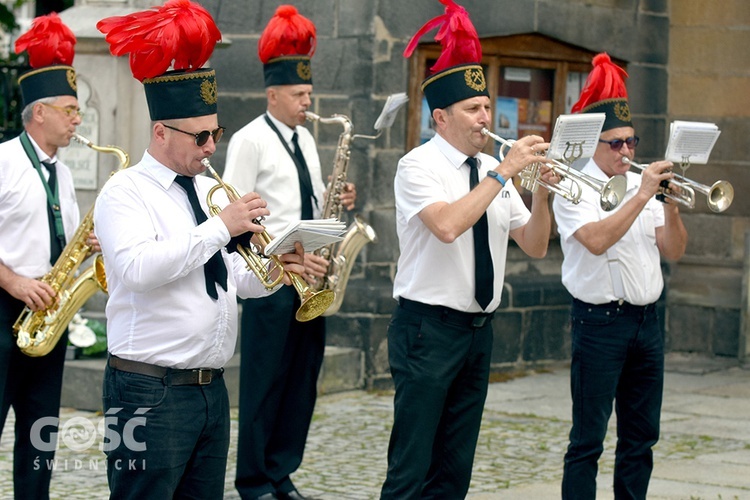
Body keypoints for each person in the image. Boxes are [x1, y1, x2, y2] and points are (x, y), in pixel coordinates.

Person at [94, 2, 307, 498]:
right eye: (202, 135)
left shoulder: (206, 191)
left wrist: (278, 266)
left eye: (217, 132)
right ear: (161, 132)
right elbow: (137, 270)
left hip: (210, 387)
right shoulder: (125, 191)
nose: (212, 146)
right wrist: (220, 227)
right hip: (149, 389)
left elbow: (230, 280)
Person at [380, 2, 556, 498]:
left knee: (455, 470)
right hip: (427, 329)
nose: (485, 118)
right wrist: (505, 172)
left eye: (486, 106)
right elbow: (448, 225)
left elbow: (537, 245)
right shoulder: (418, 167)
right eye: (474, 109)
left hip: (478, 331)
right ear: (441, 117)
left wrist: (541, 188)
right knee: (411, 467)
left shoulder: (491, 172)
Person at [223, 6, 355, 500]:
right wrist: (273, 260)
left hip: (310, 277)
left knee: (301, 384)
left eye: (309, 94)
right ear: (273, 93)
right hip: (270, 279)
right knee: (264, 385)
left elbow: (313, 196)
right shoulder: (249, 140)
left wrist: (341, 200)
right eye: (299, 95)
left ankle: (282, 472)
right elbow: (234, 211)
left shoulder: (306, 137)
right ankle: (253, 480)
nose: (307, 102)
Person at [553, 53, 688, 499]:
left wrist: (667, 203)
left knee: (641, 438)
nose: (627, 151)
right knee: (587, 441)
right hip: (599, 323)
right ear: (594, 143)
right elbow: (595, 239)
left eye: (631, 141)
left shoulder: (642, 184)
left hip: (647, 322)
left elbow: (674, 252)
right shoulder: (573, 185)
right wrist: (643, 193)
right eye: (615, 143)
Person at [0, 14, 91, 499]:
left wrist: (86, 247)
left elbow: (63, 239)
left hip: (47, 314)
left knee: (41, 436)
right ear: (39, 113)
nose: (77, 119)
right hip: (4, 308)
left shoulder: (63, 172)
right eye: (70, 110)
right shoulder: (3, 162)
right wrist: (13, 282)